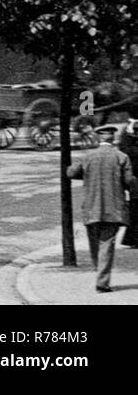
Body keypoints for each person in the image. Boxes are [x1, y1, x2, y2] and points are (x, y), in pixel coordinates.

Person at [66, 123, 137, 292]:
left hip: (91, 207)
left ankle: (99, 271)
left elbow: (70, 173)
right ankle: (102, 281)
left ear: (99, 138)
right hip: (114, 207)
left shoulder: (88, 156)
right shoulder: (121, 157)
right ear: (113, 138)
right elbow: (129, 181)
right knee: (107, 244)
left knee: (95, 243)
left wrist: (87, 174)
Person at [120, 118, 138, 249]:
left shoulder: (129, 148)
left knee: (134, 210)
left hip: (134, 183)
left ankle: (132, 239)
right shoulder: (132, 149)